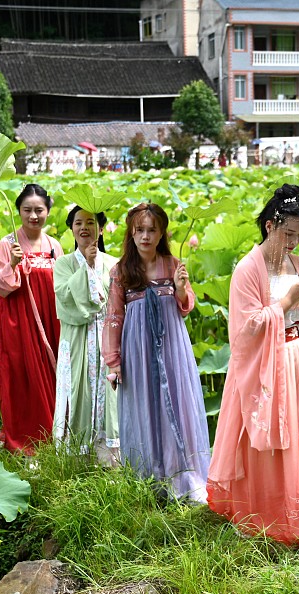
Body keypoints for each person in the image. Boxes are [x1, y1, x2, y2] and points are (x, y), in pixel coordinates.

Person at [207, 184, 299, 551]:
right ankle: (265, 520)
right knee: (266, 445)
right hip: (263, 368)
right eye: (289, 234)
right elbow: (244, 330)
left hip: (296, 356)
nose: (295, 242)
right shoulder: (247, 270)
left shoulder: (298, 264)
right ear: (270, 226)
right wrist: (283, 302)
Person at [103, 203, 211, 502]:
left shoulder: (173, 264)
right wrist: (114, 362)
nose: (146, 236)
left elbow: (186, 306)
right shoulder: (121, 270)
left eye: (152, 230)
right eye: (140, 230)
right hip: (137, 347)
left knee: (177, 402)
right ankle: (150, 476)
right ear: (131, 233)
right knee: (144, 406)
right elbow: (114, 317)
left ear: (161, 232)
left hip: (172, 344)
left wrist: (180, 288)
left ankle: (183, 474)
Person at [0, 184, 62, 453]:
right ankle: (24, 435)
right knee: (22, 374)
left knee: (53, 373)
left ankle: (53, 431)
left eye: (39, 210)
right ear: (19, 211)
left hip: (50, 319)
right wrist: (11, 265)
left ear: (47, 211)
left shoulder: (54, 245)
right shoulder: (7, 244)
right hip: (19, 321)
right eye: (27, 210)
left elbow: (62, 282)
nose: (34, 216)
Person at [53, 204, 119, 464]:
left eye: (90, 222)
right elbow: (67, 300)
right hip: (77, 338)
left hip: (107, 339)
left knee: (110, 397)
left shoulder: (115, 264)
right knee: (77, 391)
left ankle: (110, 459)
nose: (84, 228)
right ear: (71, 229)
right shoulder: (63, 264)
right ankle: (76, 460)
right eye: (78, 223)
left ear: (101, 229)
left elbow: (116, 303)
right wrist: (87, 267)